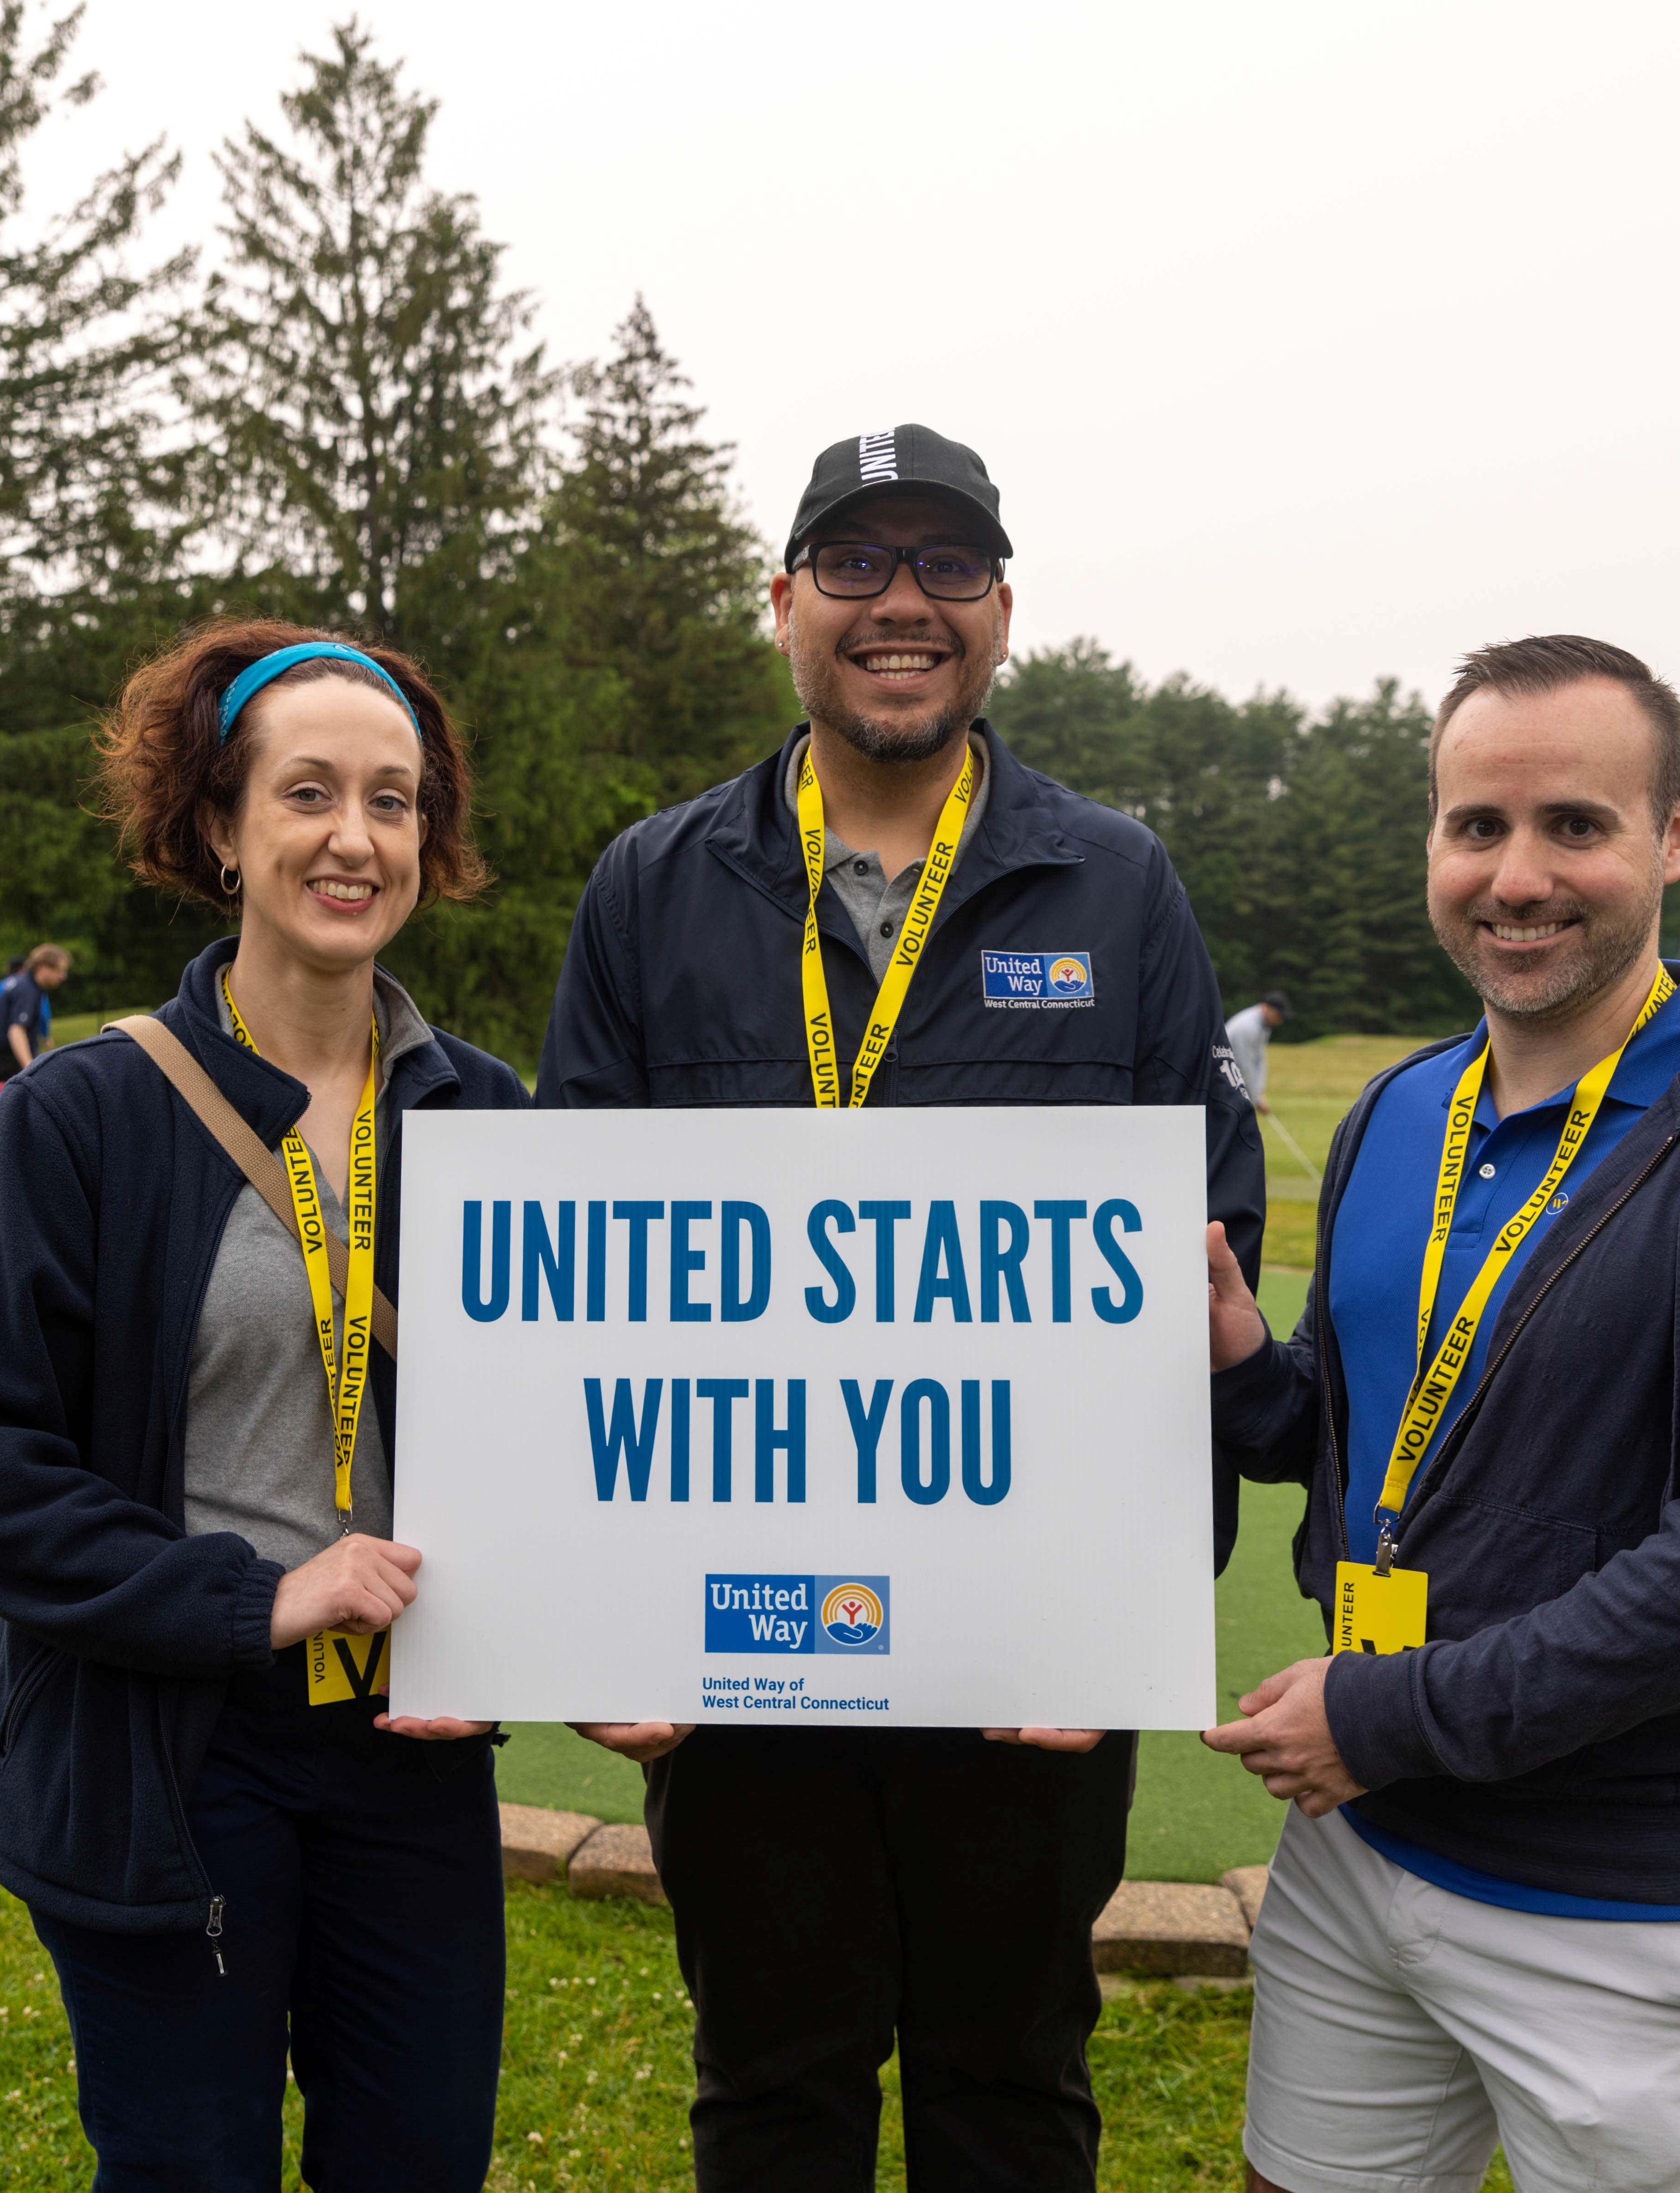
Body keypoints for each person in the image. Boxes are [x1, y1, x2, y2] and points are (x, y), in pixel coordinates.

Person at [535, 422, 1267, 2192]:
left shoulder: (1114, 882)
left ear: (1000, 611)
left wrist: (1117, 1612)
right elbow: (570, 1278)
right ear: (783, 602)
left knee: (1006, 2077)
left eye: (945, 563)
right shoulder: (652, 884)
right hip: (741, 1643)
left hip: (1017, 1651)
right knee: (772, 2079)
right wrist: (597, 1609)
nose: (901, 603)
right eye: (856, 563)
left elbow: (1196, 1247)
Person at [1198, 635, 1680, 2193]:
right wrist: (1244, 1365)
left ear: (1672, 832)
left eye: (1573, 826)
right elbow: (1375, 1443)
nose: (1515, 874)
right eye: (1475, 825)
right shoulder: (1399, 1109)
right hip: (1367, 1848)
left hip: (1637, 1907)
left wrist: (1378, 1715)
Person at [0, 619, 524, 2193]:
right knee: (191, 2167)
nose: (353, 836)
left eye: (392, 799)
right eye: (306, 792)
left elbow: (575, 1431)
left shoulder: (497, 1114)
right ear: (222, 826)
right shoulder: (80, 1116)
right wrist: (247, 1595)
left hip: (413, 1743)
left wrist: (596, 1636)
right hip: (171, 1751)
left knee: (421, 2161)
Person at [0, 942, 71, 1103]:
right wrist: (29, 1067)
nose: (63, 977)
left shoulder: (23, 984)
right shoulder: (28, 990)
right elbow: (16, 1030)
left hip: (0, 1059)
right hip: (7, 1062)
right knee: (7, 1115)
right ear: (44, 967)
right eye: (60, 970)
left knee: (4, 1113)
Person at [1224, 990, 1290, 1113]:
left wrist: (1259, 1092)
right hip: (1225, 1076)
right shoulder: (1247, 1027)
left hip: (1237, 1076)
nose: (1280, 1021)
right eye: (1278, 1015)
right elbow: (1245, 1064)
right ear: (1267, 1008)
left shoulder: (1265, 1026)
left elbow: (1260, 1058)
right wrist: (1256, 1099)